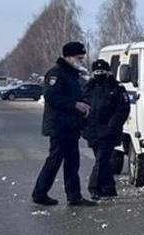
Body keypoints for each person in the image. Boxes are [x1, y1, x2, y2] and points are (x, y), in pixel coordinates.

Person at [32, 41, 94, 207]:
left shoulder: (72, 75)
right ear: (69, 56)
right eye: (79, 57)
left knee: (73, 162)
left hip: (71, 126)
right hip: (59, 126)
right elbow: (52, 96)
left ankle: (74, 196)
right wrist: (75, 105)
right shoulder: (57, 73)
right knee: (54, 160)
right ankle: (39, 193)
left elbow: (76, 95)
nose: (81, 60)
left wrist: (83, 104)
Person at [81, 59, 130, 201]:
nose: (99, 74)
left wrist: (112, 126)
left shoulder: (116, 88)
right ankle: (108, 188)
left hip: (109, 131)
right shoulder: (88, 88)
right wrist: (83, 126)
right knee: (102, 160)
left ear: (108, 72)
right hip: (92, 131)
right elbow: (82, 108)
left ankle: (94, 187)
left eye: (102, 71)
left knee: (102, 159)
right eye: (97, 72)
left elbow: (123, 109)